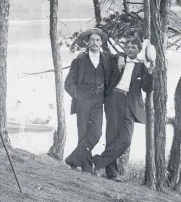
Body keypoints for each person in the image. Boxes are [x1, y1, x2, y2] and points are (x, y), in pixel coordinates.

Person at [91, 38, 154, 182]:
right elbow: (109, 55)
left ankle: (98, 161)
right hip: (114, 98)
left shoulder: (142, 67)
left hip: (130, 104)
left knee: (125, 140)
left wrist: (149, 73)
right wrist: (120, 56)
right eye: (128, 47)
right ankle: (112, 173)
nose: (130, 49)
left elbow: (147, 88)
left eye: (133, 47)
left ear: (139, 51)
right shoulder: (118, 60)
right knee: (111, 136)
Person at [64, 28, 124, 172]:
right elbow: (68, 83)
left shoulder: (106, 57)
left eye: (97, 40)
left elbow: (119, 55)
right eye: (92, 40)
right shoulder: (79, 60)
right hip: (82, 99)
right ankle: (86, 166)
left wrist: (121, 57)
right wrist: (78, 97)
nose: (95, 43)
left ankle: (72, 159)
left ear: (101, 42)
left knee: (96, 134)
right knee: (83, 132)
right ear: (87, 42)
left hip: (98, 100)